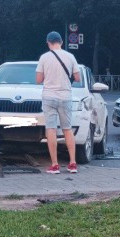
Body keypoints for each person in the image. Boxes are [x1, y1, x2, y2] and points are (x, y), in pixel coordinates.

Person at [36, 31, 81, 174]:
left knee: (51, 129)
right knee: (67, 129)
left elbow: (38, 80)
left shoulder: (44, 57)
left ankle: (55, 165)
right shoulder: (70, 56)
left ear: (48, 43)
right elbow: (78, 77)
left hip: (49, 96)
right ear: (61, 42)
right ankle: (72, 163)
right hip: (65, 96)